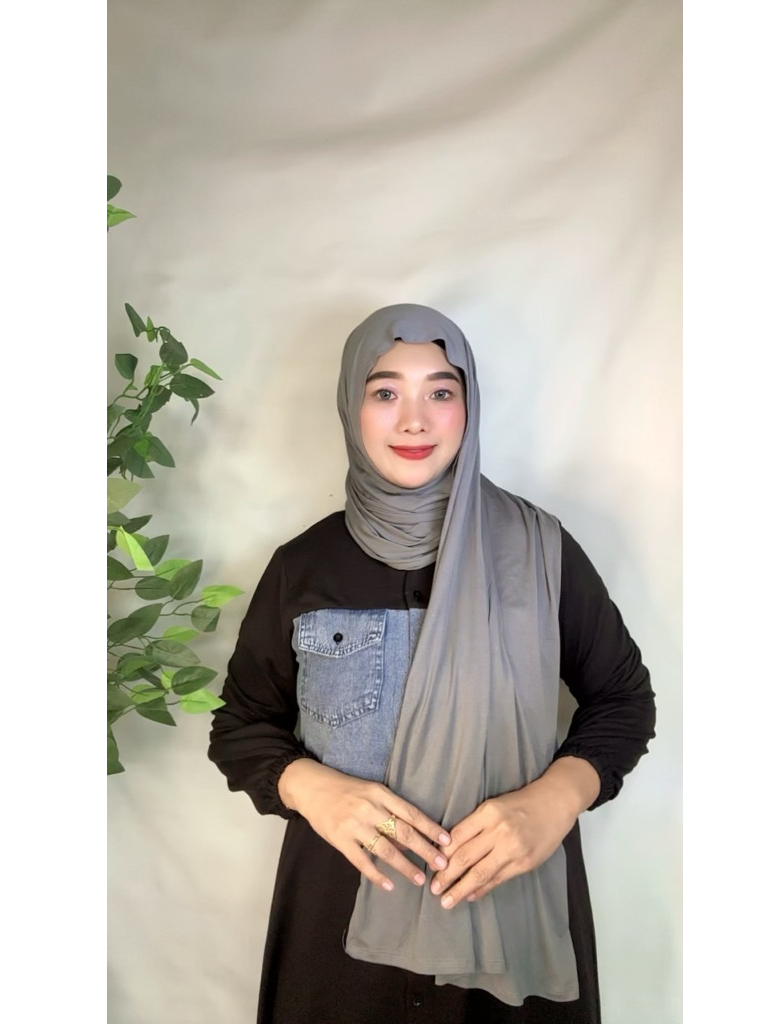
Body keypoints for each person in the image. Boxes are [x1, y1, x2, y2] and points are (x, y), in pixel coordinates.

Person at [208, 303, 655, 1024]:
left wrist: (554, 801)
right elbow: (241, 724)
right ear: (351, 406)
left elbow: (623, 699)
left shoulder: (541, 551)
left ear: (468, 406)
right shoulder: (303, 567)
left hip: (506, 929)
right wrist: (312, 788)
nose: (414, 420)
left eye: (440, 391)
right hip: (340, 939)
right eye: (386, 392)